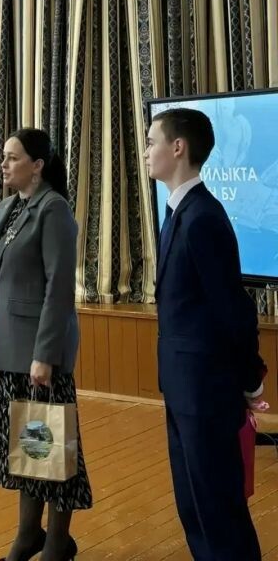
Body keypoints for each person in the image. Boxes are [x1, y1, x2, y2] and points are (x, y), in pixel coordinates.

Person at [145, 108, 264, 560]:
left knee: (218, 508)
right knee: (194, 506)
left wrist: (250, 379)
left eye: (152, 142)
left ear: (178, 148)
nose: (146, 151)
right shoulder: (178, 212)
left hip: (206, 389)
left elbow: (232, 310)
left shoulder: (203, 217)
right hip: (183, 387)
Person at [0, 128, 91, 561]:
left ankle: (56, 542)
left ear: (37, 165)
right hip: (7, 347)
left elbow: (59, 288)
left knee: (50, 447)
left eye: (13, 157)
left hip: (37, 353)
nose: (3, 164)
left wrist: (45, 354)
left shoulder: (53, 208)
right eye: (3, 157)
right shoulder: (7, 208)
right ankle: (28, 536)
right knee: (29, 448)